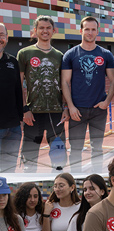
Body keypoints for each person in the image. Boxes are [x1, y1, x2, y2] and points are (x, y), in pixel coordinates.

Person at [61, 16, 114, 172]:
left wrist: (107, 102)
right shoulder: (70, 54)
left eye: (93, 29)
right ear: (81, 31)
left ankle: (96, 179)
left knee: (97, 148)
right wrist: (70, 106)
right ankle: (76, 180)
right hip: (77, 110)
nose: (90, 32)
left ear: (97, 31)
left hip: (99, 109)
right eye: (87, 29)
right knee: (75, 149)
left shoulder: (106, 54)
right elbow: (65, 82)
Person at [17, 15, 68, 172]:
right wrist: (24, 109)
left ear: (54, 31)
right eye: (41, 28)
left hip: (56, 113)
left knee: (59, 158)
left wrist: (65, 107)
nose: (45, 31)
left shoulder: (60, 56)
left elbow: (64, 83)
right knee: (30, 156)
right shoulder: (24, 53)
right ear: (35, 30)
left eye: (48, 28)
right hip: (33, 114)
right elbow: (18, 84)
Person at [0, 23, 23, 172]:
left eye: (1, 35)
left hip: (13, 127)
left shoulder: (12, 61)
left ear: (7, 38)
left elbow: (18, 91)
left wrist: (20, 118)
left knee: (9, 169)